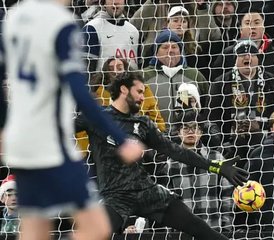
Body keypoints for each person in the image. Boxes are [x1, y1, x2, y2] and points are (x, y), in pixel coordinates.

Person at [0, 0, 144, 239]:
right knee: (96, 228)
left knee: (35, 230)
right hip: (49, 141)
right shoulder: (60, 22)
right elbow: (80, 92)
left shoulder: (16, 17)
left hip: (22, 140)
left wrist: (5, 125)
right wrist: (121, 139)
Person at [74, 71, 248, 239]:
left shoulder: (142, 123)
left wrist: (216, 166)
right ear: (124, 89)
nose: (143, 97)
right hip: (116, 197)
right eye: (140, 91)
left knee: (200, 229)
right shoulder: (96, 117)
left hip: (148, 193)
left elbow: (176, 151)